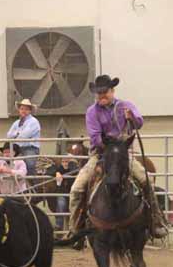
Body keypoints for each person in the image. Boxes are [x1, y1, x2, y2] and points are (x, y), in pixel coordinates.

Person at [67, 74, 167, 238]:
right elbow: (95, 137)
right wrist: (111, 145)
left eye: (104, 92)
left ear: (112, 91)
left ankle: (156, 221)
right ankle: (75, 228)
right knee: (77, 189)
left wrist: (131, 118)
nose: (101, 96)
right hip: (100, 155)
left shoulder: (125, 106)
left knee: (145, 180)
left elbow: (139, 122)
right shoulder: (92, 112)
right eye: (99, 93)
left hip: (122, 154)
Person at [7, 99, 40, 177]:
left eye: (26, 109)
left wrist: (15, 135)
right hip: (17, 148)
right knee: (9, 163)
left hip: (30, 148)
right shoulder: (16, 122)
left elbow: (24, 135)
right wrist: (17, 134)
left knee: (29, 165)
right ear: (19, 110)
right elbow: (8, 135)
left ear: (30, 111)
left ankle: (33, 185)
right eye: (22, 109)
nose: (23, 111)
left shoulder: (34, 121)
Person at [54, 155, 78, 231]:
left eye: (67, 161)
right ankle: (59, 225)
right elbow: (52, 172)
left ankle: (74, 227)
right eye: (63, 161)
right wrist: (57, 173)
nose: (65, 163)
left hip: (73, 194)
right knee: (61, 203)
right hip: (63, 193)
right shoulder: (59, 169)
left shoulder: (74, 169)